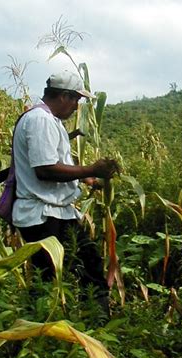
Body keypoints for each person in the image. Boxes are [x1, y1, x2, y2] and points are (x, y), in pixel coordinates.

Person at [12, 70, 119, 315]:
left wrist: (87, 178)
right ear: (63, 97)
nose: (76, 107)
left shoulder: (50, 121)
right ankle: (34, 332)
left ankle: (93, 323)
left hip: (57, 213)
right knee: (47, 277)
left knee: (88, 264)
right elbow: (45, 169)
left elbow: (54, 162)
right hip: (43, 215)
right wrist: (91, 168)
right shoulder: (41, 120)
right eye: (76, 101)